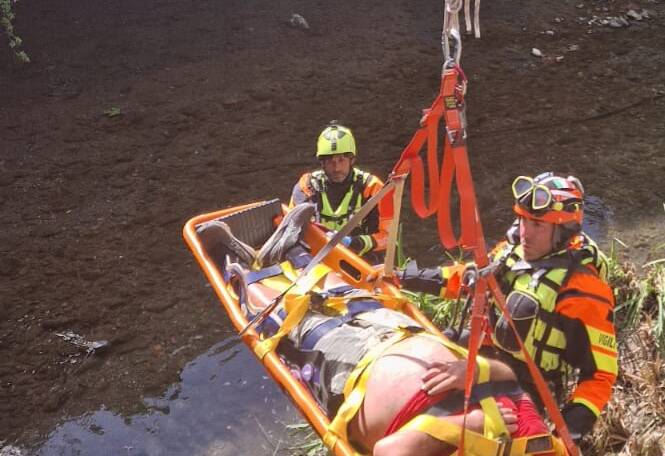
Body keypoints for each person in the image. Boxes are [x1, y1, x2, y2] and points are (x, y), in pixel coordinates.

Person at [196, 204, 567, 456]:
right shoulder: (544, 446)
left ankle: (240, 269)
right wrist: (472, 371)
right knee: (351, 299)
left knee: (301, 322)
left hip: (355, 373)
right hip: (404, 337)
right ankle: (293, 250)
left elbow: (388, 451)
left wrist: (469, 424)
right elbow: (511, 380)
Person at [398, 172, 618, 441]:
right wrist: (402, 277)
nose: (525, 232)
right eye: (522, 219)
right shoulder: (511, 252)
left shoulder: (582, 289)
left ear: (562, 231)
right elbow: (466, 280)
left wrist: (565, 434)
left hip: (525, 384)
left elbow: (600, 375)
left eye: (537, 224)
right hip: (484, 349)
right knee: (417, 352)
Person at [289, 122, 392, 263]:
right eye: (330, 161)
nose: (336, 168)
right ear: (322, 163)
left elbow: (388, 238)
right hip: (316, 263)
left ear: (352, 160)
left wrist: (353, 243)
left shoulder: (372, 188)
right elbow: (291, 232)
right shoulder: (306, 187)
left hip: (360, 264)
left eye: (341, 160)